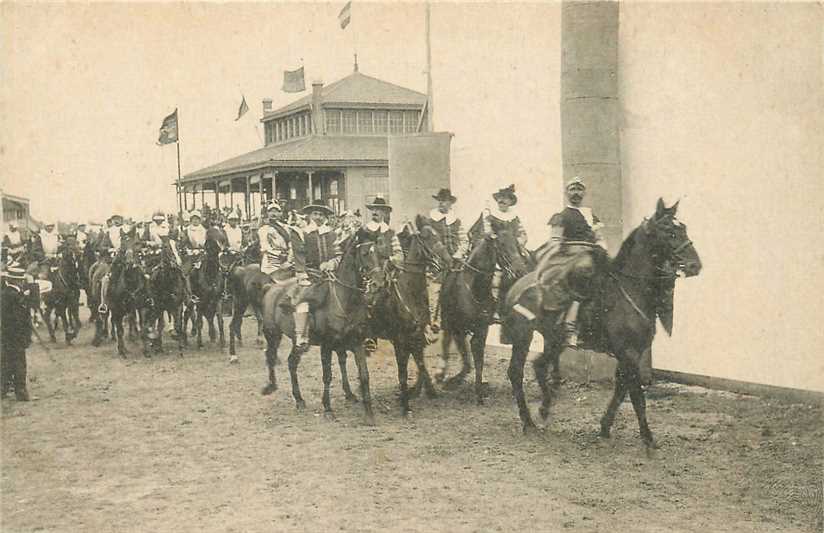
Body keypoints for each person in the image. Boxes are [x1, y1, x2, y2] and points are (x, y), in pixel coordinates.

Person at [541, 176, 607, 348]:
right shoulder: (561, 216)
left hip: (591, 254)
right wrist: (552, 257)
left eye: (579, 189)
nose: (576, 193)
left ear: (584, 192)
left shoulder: (591, 214)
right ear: (566, 193)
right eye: (572, 189)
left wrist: (601, 247)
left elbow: (599, 238)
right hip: (570, 255)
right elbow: (555, 240)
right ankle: (570, 326)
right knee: (581, 273)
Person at [467, 184, 529, 322]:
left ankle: (518, 304)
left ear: (510, 202)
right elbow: (476, 232)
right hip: (492, 249)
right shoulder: (489, 216)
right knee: (492, 270)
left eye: (506, 198)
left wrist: (518, 241)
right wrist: (489, 235)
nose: (502, 200)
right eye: (500, 198)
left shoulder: (514, 218)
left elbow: (522, 234)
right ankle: (491, 307)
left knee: (524, 265)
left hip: (510, 250)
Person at [291, 203, 342, 352]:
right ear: (309, 216)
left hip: (331, 273)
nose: (318, 217)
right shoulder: (302, 233)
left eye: (321, 214)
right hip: (310, 273)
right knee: (304, 298)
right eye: (315, 214)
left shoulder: (332, 233)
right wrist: (302, 274)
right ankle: (301, 335)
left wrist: (332, 263)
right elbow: (298, 256)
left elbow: (339, 253)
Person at [424, 188, 468, 335]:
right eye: (441, 201)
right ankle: (434, 321)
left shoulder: (457, 222)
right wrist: (437, 257)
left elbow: (464, 240)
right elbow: (428, 242)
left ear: (450, 204)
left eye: (446, 201)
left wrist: (458, 254)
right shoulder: (430, 221)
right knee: (435, 290)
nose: (443, 204)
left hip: (455, 261)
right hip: (437, 262)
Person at [1, 264, 33, 401]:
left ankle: (3, 389)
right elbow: (19, 319)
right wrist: (25, 335)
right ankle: (21, 392)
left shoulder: (4, 294)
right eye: (21, 280)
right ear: (17, 281)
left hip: (5, 335)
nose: (22, 282)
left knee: (6, 362)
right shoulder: (16, 296)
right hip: (16, 335)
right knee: (19, 363)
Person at [258, 200, 294, 278]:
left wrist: (289, 257)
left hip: (287, 259)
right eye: (271, 211)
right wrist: (279, 254)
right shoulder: (263, 229)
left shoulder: (286, 228)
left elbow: (291, 243)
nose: (273, 214)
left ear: (280, 213)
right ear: (267, 214)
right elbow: (265, 246)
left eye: (276, 211)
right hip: (271, 261)